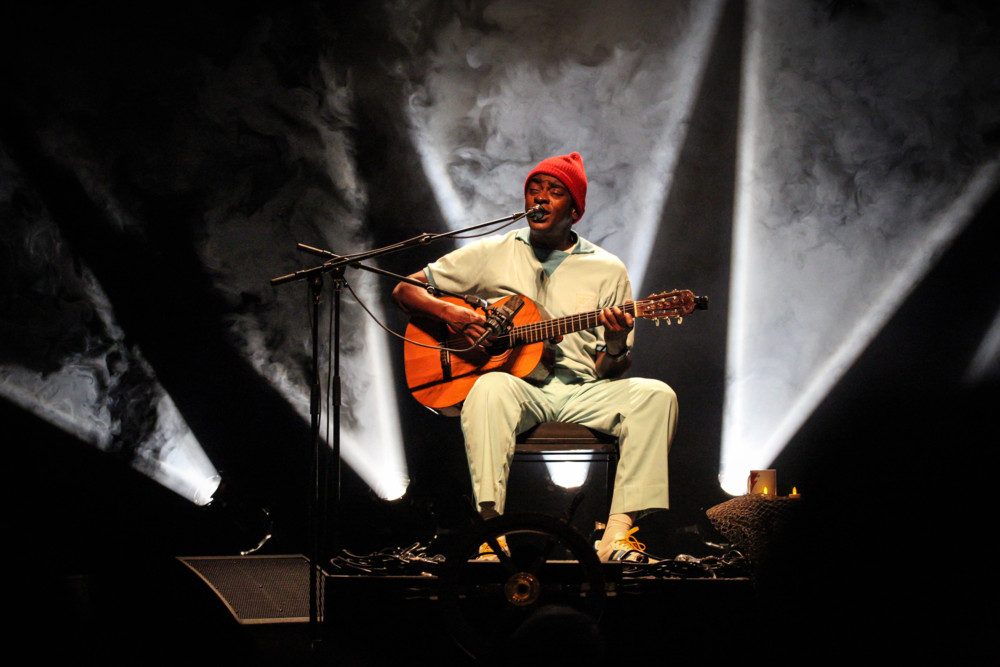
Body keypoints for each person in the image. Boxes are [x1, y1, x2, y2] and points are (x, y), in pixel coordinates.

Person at [392, 152, 677, 561]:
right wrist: (451, 312)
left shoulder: (608, 269)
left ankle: (614, 537)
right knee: (489, 386)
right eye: (534, 189)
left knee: (657, 396)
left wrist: (615, 342)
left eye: (554, 191)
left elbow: (611, 368)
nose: (540, 198)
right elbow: (405, 290)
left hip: (583, 392)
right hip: (518, 390)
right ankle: (492, 535)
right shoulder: (492, 252)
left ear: (574, 210)